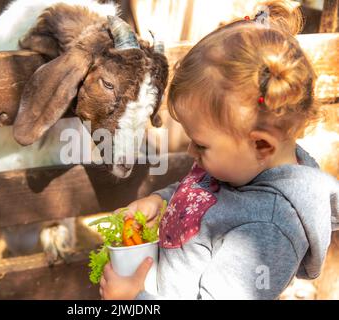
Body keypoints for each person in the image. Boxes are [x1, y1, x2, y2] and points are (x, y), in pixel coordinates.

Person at [99, 0, 339, 300]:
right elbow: (201, 194)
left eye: (200, 144)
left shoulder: (266, 231)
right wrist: (159, 202)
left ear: (261, 144)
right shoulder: (238, 166)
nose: (190, 151)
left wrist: (133, 300)